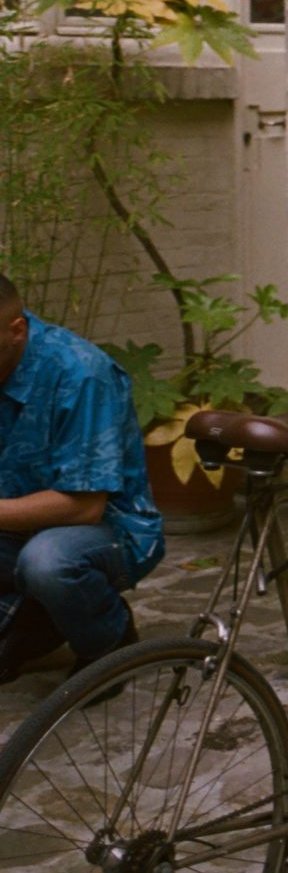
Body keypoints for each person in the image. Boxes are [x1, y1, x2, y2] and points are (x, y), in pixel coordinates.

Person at [0, 275, 163, 683]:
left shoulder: (81, 373)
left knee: (48, 563)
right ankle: (35, 620)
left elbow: (83, 507)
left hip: (105, 530)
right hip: (12, 523)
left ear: (16, 331)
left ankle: (110, 643)